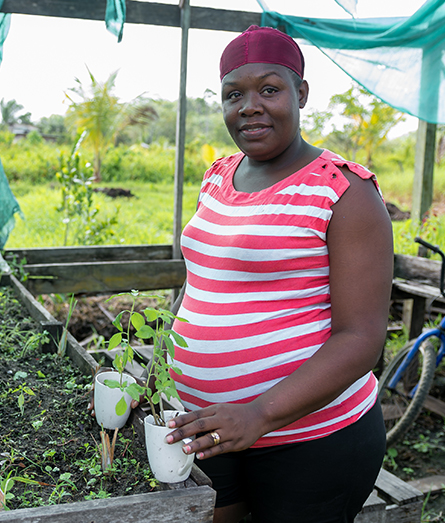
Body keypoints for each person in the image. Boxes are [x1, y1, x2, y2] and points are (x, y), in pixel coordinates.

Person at [158, 26, 393, 523]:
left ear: (301, 93)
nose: (249, 106)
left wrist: (259, 412)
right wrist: (170, 349)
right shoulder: (218, 175)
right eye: (233, 94)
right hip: (210, 429)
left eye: (269, 89)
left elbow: (362, 337)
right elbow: (204, 277)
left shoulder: (345, 192)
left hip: (311, 441)